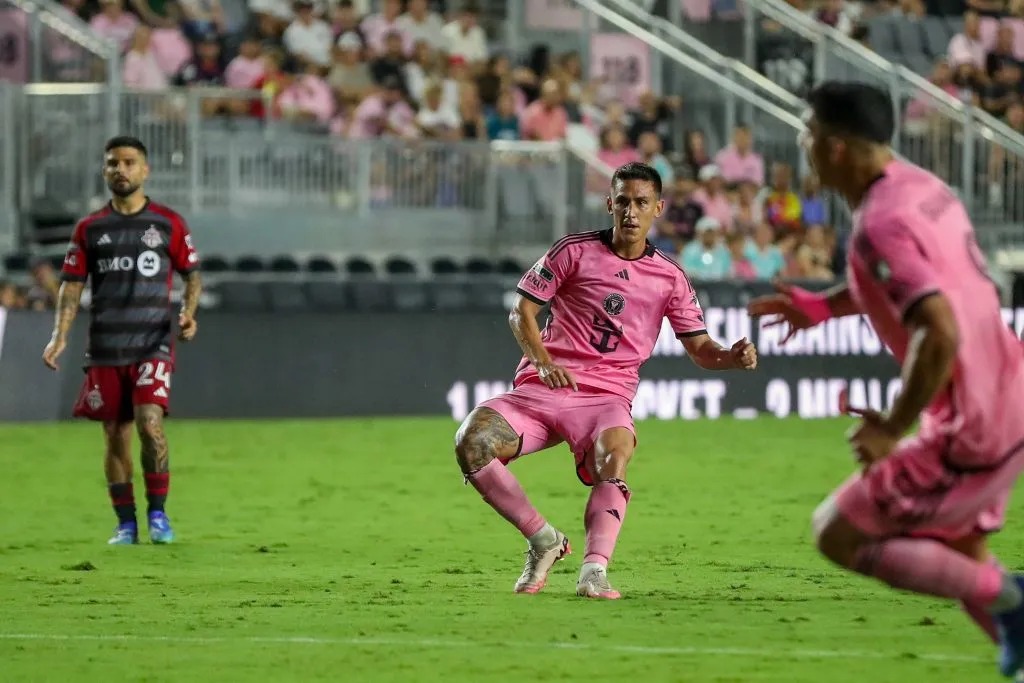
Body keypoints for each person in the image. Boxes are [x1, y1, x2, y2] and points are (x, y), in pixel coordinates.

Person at [747, 81, 1024, 678]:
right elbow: (911, 281)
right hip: (1012, 394)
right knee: (959, 555)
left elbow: (939, 331)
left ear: (835, 147)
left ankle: (1017, 600)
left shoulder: (880, 222)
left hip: (972, 422)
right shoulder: (925, 190)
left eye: (808, 133)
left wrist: (893, 429)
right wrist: (825, 307)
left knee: (837, 534)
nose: (803, 145)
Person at [454, 162, 758, 600]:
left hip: (605, 398)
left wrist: (730, 357)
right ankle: (544, 541)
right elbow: (520, 311)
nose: (631, 212)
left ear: (659, 208)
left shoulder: (670, 277)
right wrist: (541, 362)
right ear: (609, 204)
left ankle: (593, 571)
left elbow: (699, 347)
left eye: (641, 202)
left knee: (614, 456)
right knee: (472, 442)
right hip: (542, 389)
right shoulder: (572, 251)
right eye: (623, 202)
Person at [42, 136, 202, 546]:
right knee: (115, 434)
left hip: (152, 343)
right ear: (104, 171)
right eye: (113, 163)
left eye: (130, 162)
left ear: (145, 170)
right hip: (106, 348)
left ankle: (158, 515)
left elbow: (192, 272)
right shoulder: (90, 229)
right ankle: (126, 523)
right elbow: (71, 287)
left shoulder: (168, 223)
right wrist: (60, 336)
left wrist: (189, 311)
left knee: (151, 425)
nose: (121, 169)